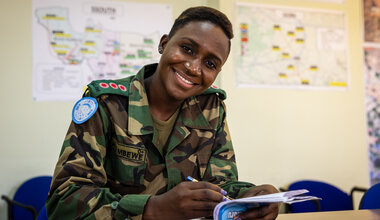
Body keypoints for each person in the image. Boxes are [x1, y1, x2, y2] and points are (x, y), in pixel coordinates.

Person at [46, 6, 279, 220]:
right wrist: (153, 208)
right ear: (163, 44)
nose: (194, 68)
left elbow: (220, 185)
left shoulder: (211, 108)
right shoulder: (107, 103)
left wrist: (252, 196)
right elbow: (64, 202)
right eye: (187, 49)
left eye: (210, 64)